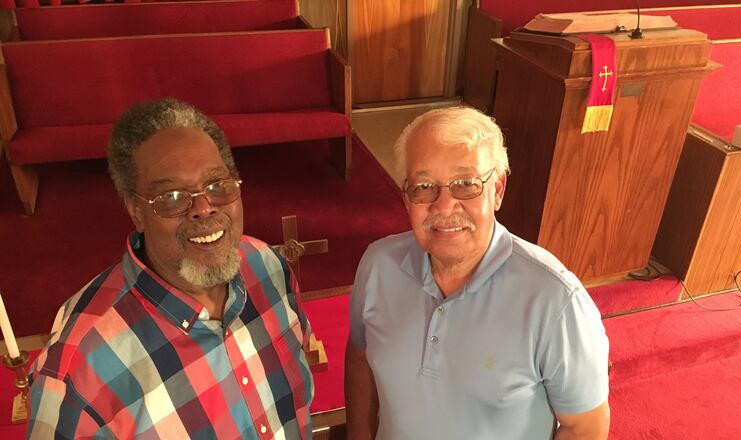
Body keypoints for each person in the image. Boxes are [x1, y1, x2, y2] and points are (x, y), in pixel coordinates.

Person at [27, 98, 313, 439]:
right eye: (172, 196)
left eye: (217, 186)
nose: (203, 209)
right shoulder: (78, 371)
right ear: (136, 211)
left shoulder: (268, 267)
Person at [345, 107, 610, 439]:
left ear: (497, 189)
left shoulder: (556, 301)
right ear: (406, 199)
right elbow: (359, 357)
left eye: (465, 184)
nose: (444, 206)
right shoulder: (377, 266)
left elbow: (584, 427)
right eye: (424, 186)